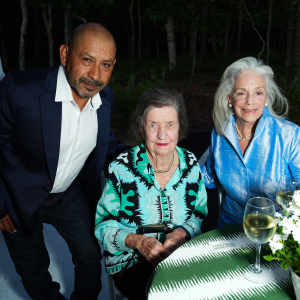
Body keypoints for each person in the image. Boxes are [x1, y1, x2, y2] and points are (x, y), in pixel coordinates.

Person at [0, 23, 126, 300]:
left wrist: (149, 161)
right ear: (65, 53)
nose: (95, 75)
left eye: (105, 65)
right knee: (34, 271)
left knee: (92, 256)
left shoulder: (105, 99)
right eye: (86, 60)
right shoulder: (18, 90)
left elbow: (107, 146)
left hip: (69, 194)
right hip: (18, 198)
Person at [95, 88, 208, 300]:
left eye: (170, 125)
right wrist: (140, 242)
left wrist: (181, 234)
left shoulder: (191, 163)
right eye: (153, 125)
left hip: (180, 255)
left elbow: (198, 214)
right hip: (130, 260)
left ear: (180, 127)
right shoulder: (121, 167)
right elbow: (103, 226)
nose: (162, 134)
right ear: (141, 126)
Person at [200, 57, 300, 228]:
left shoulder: (289, 135)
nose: (250, 101)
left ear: (267, 97)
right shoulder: (220, 132)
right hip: (229, 228)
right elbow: (209, 176)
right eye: (241, 93)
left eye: (258, 93)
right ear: (230, 99)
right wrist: (173, 165)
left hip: (277, 231)